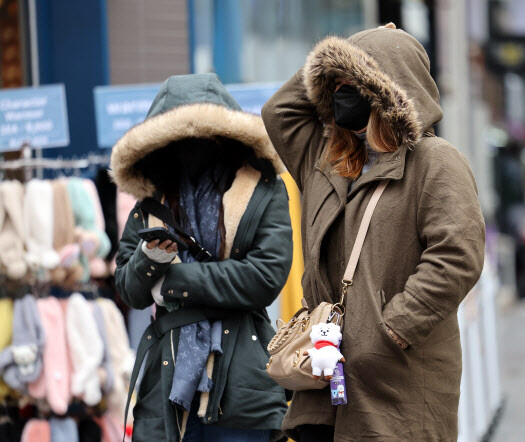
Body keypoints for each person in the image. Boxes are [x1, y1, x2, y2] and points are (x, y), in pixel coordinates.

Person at [262, 23, 486, 441]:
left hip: (398, 386)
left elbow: (457, 256)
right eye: (336, 86)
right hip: (323, 382)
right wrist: (347, 48)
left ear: (386, 91)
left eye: (354, 84)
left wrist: (390, 331)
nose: (341, 95)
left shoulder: (436, 162)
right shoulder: (327, 158)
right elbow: (280, 112)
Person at [111, 73, 293, 442]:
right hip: (163, 388)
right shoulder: (150, 203)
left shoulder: (263, 191)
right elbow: (129, 290)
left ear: (225, 136)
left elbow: (265, 277)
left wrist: (174, 283)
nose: (191, 147)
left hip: (242, 390)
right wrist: (149, 260)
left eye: (202, 136)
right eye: (176, 138)